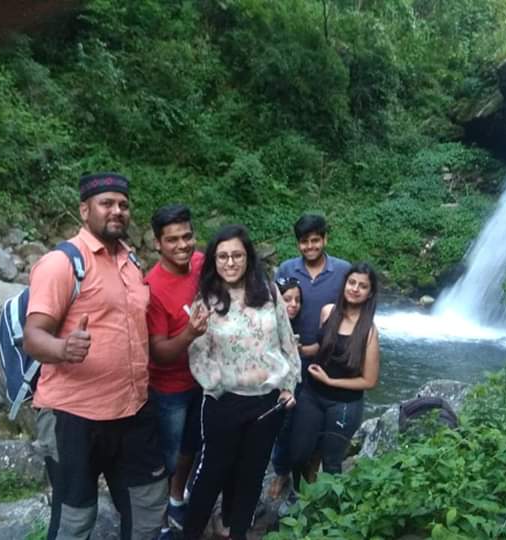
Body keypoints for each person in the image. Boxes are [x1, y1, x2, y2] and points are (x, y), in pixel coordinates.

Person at [23, 172, 167, 540]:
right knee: (75, 519)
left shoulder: (132, 263)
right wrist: (63, 348)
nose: (117, 211)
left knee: (149, 510)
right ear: (85, 210)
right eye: (107, 203)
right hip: (75, 416)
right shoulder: (61, 263)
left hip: (133, 410)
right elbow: (33, 336)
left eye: (123, 204)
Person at [183, 224, 301, 540]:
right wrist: (220, 383)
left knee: (252, 475)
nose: (230, 262)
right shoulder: (206, 299)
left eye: (237, 255)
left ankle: (238, 534)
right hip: (224, 402)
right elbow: (198, 354)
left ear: (248, 257)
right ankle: (191, 533)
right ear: (214, 260)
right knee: (211, 474)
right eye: (223, 256)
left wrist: (288, 385)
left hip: (267, 403)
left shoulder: (269, 292)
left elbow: (286, 342)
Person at [272, 213, 350, 494]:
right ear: (298, 244)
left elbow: (354, 308)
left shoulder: (342, 271)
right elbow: (274, 307)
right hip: (289, 360)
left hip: (326, 362)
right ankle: (280, 472)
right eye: (304, 242)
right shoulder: (286, 269)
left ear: (325, 239)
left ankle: (309, 471)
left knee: (316, 421)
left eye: (315, 240)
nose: (310, 247)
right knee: (284, 421)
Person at [145, 204, 208, 537]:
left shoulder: (200, 264)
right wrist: (190, 333)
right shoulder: (152, 287)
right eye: (172, 240)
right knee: (173, 452)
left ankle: (183, 495)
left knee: (195, 444)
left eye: (187, 237)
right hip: (170, 386)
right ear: (157, 243)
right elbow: (159, 352)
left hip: (207, 377)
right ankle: (171, 503)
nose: (183, 245)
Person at [289, 262, 380, 487]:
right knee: (298, 453)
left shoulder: (369, 331)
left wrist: (331, 380)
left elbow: (369, 380)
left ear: (369, 293)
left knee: (331, 462)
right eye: (351, 283)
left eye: (362, 286)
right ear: (344, 284)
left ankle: (326, 512)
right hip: (312, 393)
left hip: (344, 403)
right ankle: (299, 495)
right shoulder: (328, 312)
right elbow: (325, 347)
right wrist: (300, 349)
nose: (355, 289)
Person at [268, 276, 303, 499]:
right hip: (267, 388)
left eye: (297, 300)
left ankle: (281, 474)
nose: (293, 305)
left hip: (291, 388)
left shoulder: (299, 326)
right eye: (287, 299)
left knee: (285, 432)